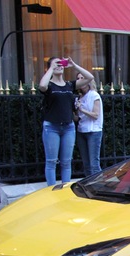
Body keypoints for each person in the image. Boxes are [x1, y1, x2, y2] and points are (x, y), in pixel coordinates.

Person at [38, 56, 94, 186]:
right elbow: (42, 86)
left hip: (68, 127)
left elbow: (90, 78)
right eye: (56, 64)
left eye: (61, 64)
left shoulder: (70, 85)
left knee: (66, 161)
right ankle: (51, 190)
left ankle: (64, 189)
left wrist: (74, 65)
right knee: (51, 161)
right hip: (51, 126)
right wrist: (51, 68)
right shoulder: (50, 85)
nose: (59, 66)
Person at [75, 78, 103, 176]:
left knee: (94, 164)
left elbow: (96, 115)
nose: (80, 80)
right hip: (81, 131)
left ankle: (99, 186)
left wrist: (82, 110)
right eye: (78, 78)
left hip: (93, 131)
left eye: (82, 78)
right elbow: (77, 118)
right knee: (86, 164)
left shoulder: (94, 95)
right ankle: (89, 187)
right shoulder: (79, 98)